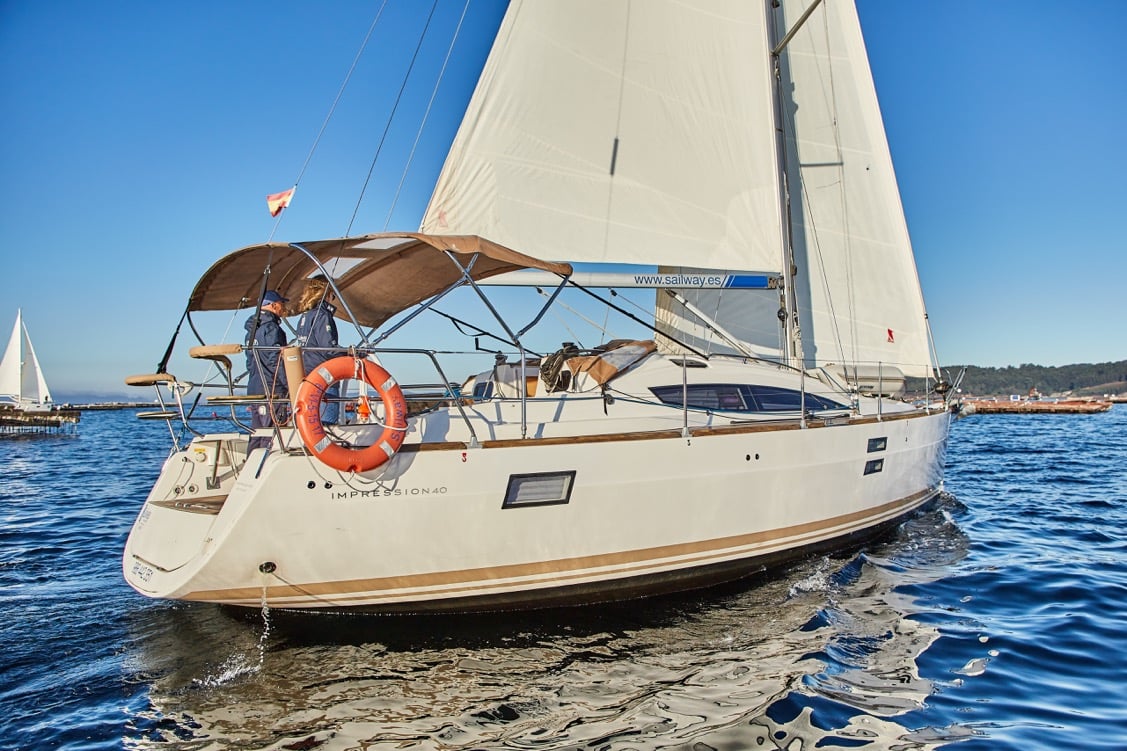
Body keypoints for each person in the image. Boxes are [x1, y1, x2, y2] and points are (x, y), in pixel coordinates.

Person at [244, 290, 289, 452]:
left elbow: (249, 363)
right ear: (274, 305)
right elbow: (275, 361)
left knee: (257, 433)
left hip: (255, 386)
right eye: (282, 304)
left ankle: (250, 467)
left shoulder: (251, 330)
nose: (283, 308)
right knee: (270, 433)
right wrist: (288, 386)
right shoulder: (271, 328)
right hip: (271, 387)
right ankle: (263, 467)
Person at [294, 276, 343, 424]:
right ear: (327, 294)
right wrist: (351, 353)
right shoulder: (322, 316)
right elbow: (328, 348)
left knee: (313, 422)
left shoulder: (304, 317)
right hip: (324, 377)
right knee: (327, 422)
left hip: (308, 375)